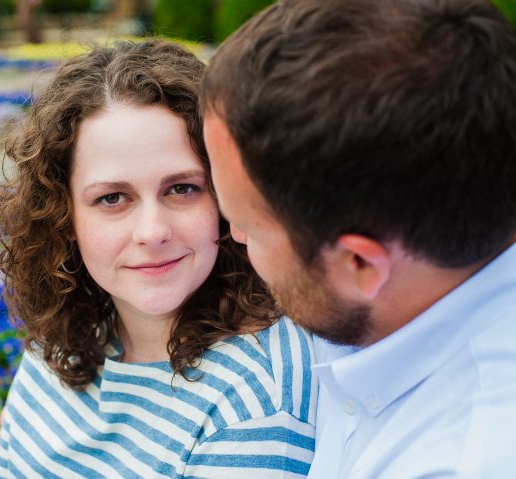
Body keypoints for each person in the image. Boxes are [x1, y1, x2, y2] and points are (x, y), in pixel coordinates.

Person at [200, 0, 516, 477]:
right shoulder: (411, 286)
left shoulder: (463, 458)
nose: (233, 236)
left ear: (359, 264)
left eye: (250, 224)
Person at [0, 40, 317, 478]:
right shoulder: (64, 337)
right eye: (112, 198)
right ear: (64, 216)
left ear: (226, 197)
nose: (153, 232)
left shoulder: (253, 397)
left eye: (182, 188)